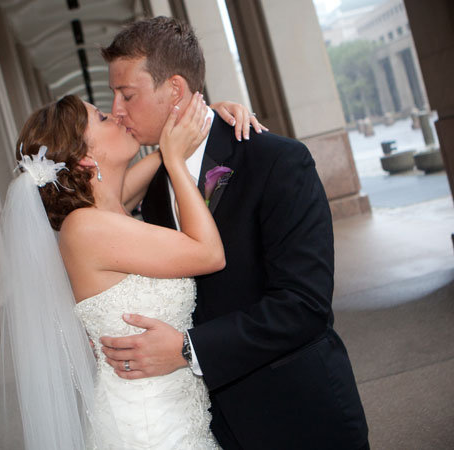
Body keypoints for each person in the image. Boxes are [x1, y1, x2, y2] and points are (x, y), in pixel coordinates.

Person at [98, 16, 370, 450]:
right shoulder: (151, 189)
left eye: (127, 94)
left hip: (298, 417)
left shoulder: (276, 161)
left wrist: (188, 350)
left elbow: (304, 305)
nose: (116, 109)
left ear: (174, 90)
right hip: (211, 427)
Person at [0, 90, 263, 449]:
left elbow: (157, 162)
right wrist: (174, 161)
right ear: (86, 158)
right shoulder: (84, 229)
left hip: (175, 414)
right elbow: (209, 253)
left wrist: (210, 115)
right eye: (102, 118)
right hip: (148, 428)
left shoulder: (108, 210)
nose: (117, 115)